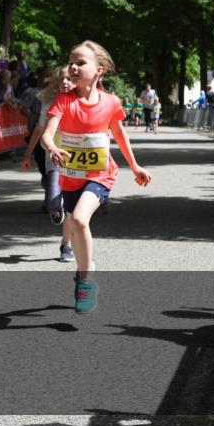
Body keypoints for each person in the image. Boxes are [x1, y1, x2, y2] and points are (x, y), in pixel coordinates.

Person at [40, 41, 151, 314]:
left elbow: (121, 135)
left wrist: (135, 166)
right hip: (70, 177)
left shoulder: (111, 102)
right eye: (71, 62)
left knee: (78, 219)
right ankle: (82, 271)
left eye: (81, 63)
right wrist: (53, 147)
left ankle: (86, 280)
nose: (74, 67)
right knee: (77, 229)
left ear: (99, 70)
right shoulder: (64, 101)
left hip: (100, 175)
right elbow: (46, 133)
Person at [22, 68, 78, 260]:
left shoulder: (86, 103)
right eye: (62, 78)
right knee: (53, 202)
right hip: (54, 160)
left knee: (73, 207)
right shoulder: (49, 104)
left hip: (78, 164)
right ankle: (57, 209)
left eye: (70, 79)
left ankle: (66, 245)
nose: (65, 82)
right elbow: (38, 130)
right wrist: (27, 155)